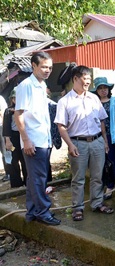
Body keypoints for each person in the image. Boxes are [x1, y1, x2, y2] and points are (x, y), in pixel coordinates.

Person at [54, 65, 114, 222]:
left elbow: (101, 121)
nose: (88, 82)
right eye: (85, 79)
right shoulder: (64, 101)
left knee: (97, 176)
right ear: (75, 79)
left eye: (89, 79)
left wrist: (105, 141)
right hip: (77, 143)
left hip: (97, 142)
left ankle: (97, 203)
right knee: (78, 178)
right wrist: (70, 145)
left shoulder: (94, 98)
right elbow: (61, 126)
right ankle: (78, 207)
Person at [14, 51, 61, 226]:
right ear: (33, 66)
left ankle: (32, 211)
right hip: (33, 140)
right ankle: (43, 212)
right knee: (39, 178)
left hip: (44, 139)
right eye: (44, 67)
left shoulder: (41, 85)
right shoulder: (26, 86)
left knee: (34, 178)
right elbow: (18, 115)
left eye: (50, 67)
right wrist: (26, 139)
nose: (47, 70)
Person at [91, 77, 115, 200]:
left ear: (109, 89)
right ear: (96, 90)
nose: (103, 90)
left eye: (105, 88)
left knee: (111, 162)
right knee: (99, 163)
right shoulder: (93, 102)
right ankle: (101, 185)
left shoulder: (113, 101)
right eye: (100, 88)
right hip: (96, 137)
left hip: (110, 136)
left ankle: (110, 186)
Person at [2, 88, 27, 188]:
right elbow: (6, 127)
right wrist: (7, 141)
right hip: (13, 137)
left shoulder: (25, 109)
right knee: (13, 160)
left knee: (25, 160)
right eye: (15, 98)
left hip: (24, 136)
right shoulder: (8, 111)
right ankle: (16, 183)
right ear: (12, 99)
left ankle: (27, 181)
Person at [0, 94, 10, 182]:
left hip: (1, 127)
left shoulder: (0, 99)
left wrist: (5, 130)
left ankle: (9, 172)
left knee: (5, 151)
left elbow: (3, 114)